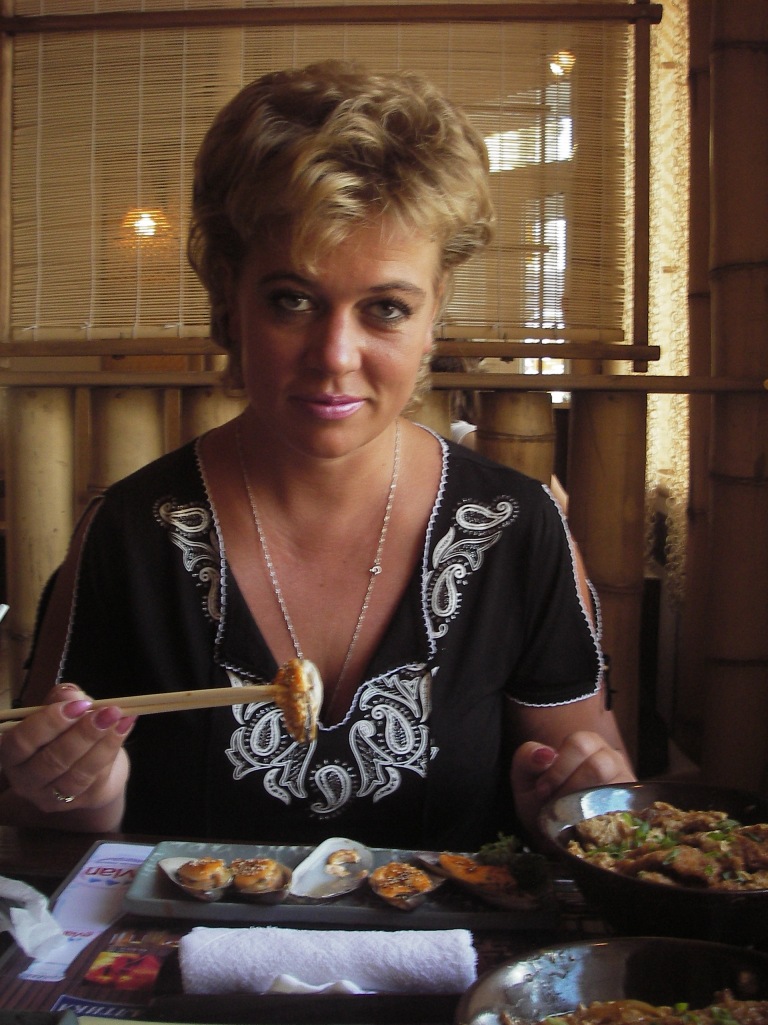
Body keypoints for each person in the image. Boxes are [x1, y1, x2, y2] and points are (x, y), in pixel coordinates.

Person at [0, 60, 634, 849]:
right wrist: (84, 795)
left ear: (434, 316)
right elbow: (38, 824)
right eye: (292, 300)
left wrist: (567, 802)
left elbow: (589, 800)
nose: (335, 354)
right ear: (230, 296)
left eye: (386, 308)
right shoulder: (130, 534)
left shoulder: (517, 528)